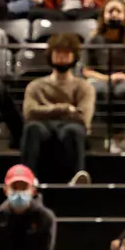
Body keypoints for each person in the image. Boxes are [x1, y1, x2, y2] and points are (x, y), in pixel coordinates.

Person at [21, 33, 95, 185]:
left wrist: (46, 110)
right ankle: (28, 178)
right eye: (58, 53)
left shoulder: (84, 86)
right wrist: (66, 108)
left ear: (74, 57)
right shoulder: (36, 85)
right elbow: (29, 112)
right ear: (50, 55)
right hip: (43, 127)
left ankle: (76, 177)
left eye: (66, 53)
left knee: (73, 130)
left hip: (70, 127)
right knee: (32, 127)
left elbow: (83, 117)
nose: (61, 57)